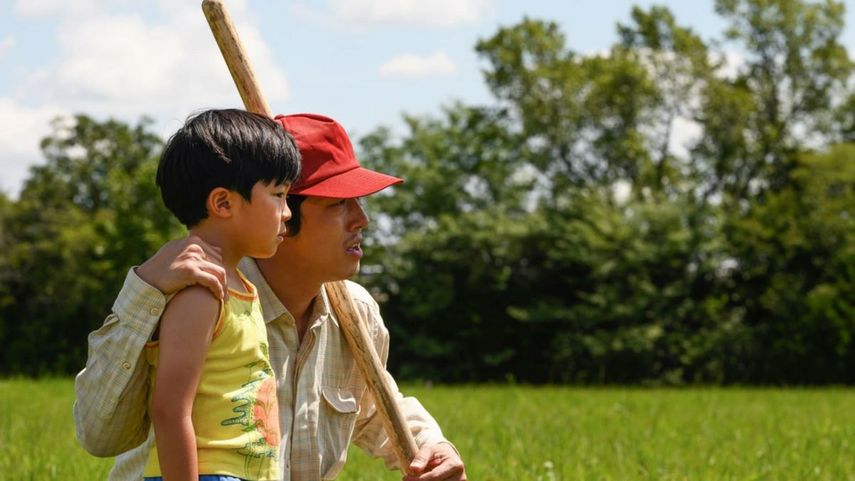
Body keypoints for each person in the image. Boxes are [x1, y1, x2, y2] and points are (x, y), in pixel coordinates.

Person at [74, 113, 467, 481]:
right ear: (284, 212)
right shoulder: (196, 290)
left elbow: (374, 407)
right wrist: (143, 291)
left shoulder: (357, 313)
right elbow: (99, 435)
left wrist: (431, 445)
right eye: (337, 204)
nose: (362, 219)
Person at [142, 108, 301, 481]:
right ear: (224, 203)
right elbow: (169, 409)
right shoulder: (200, 292)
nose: (288, 212)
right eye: (278, 195)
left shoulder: (241, 287)